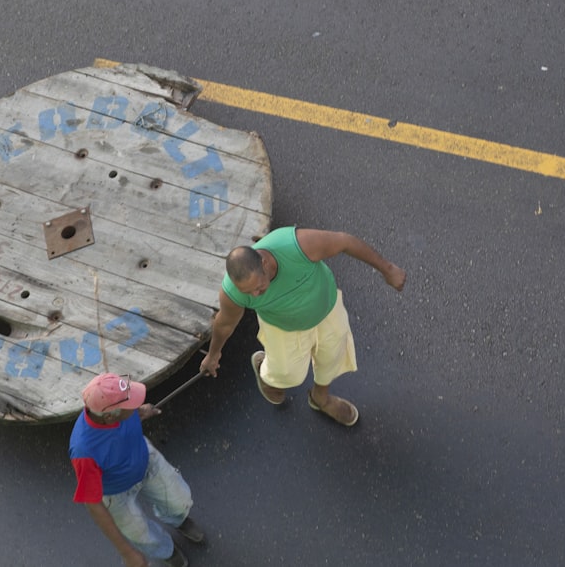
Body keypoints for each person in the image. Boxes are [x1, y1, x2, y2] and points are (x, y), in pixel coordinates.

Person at [200, 227, 406, 426]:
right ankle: (266, 371)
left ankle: (320, 398)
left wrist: (387, 269)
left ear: (264, 263)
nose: (254, 295)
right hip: (283, 327)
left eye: (258, 287)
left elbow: (345, 241)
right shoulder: (233, 293)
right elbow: (225, 324)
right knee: (288, 375)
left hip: (326, 309)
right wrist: (213, 355)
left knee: (331, 357)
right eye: (248, 292)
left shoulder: (297, 245)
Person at [69, 373, 205, 567]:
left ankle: (178, 519)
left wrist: (141, 411)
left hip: (144, 459)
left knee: (178, 500)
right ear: (110, 416)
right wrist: (127, 553)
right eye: (130, 402)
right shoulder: (84, 451)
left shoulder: (114, 409)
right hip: (115, 494)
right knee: (139, 533)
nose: (135, 403)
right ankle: (167, 552)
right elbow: (93, 504)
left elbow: (131, 413)